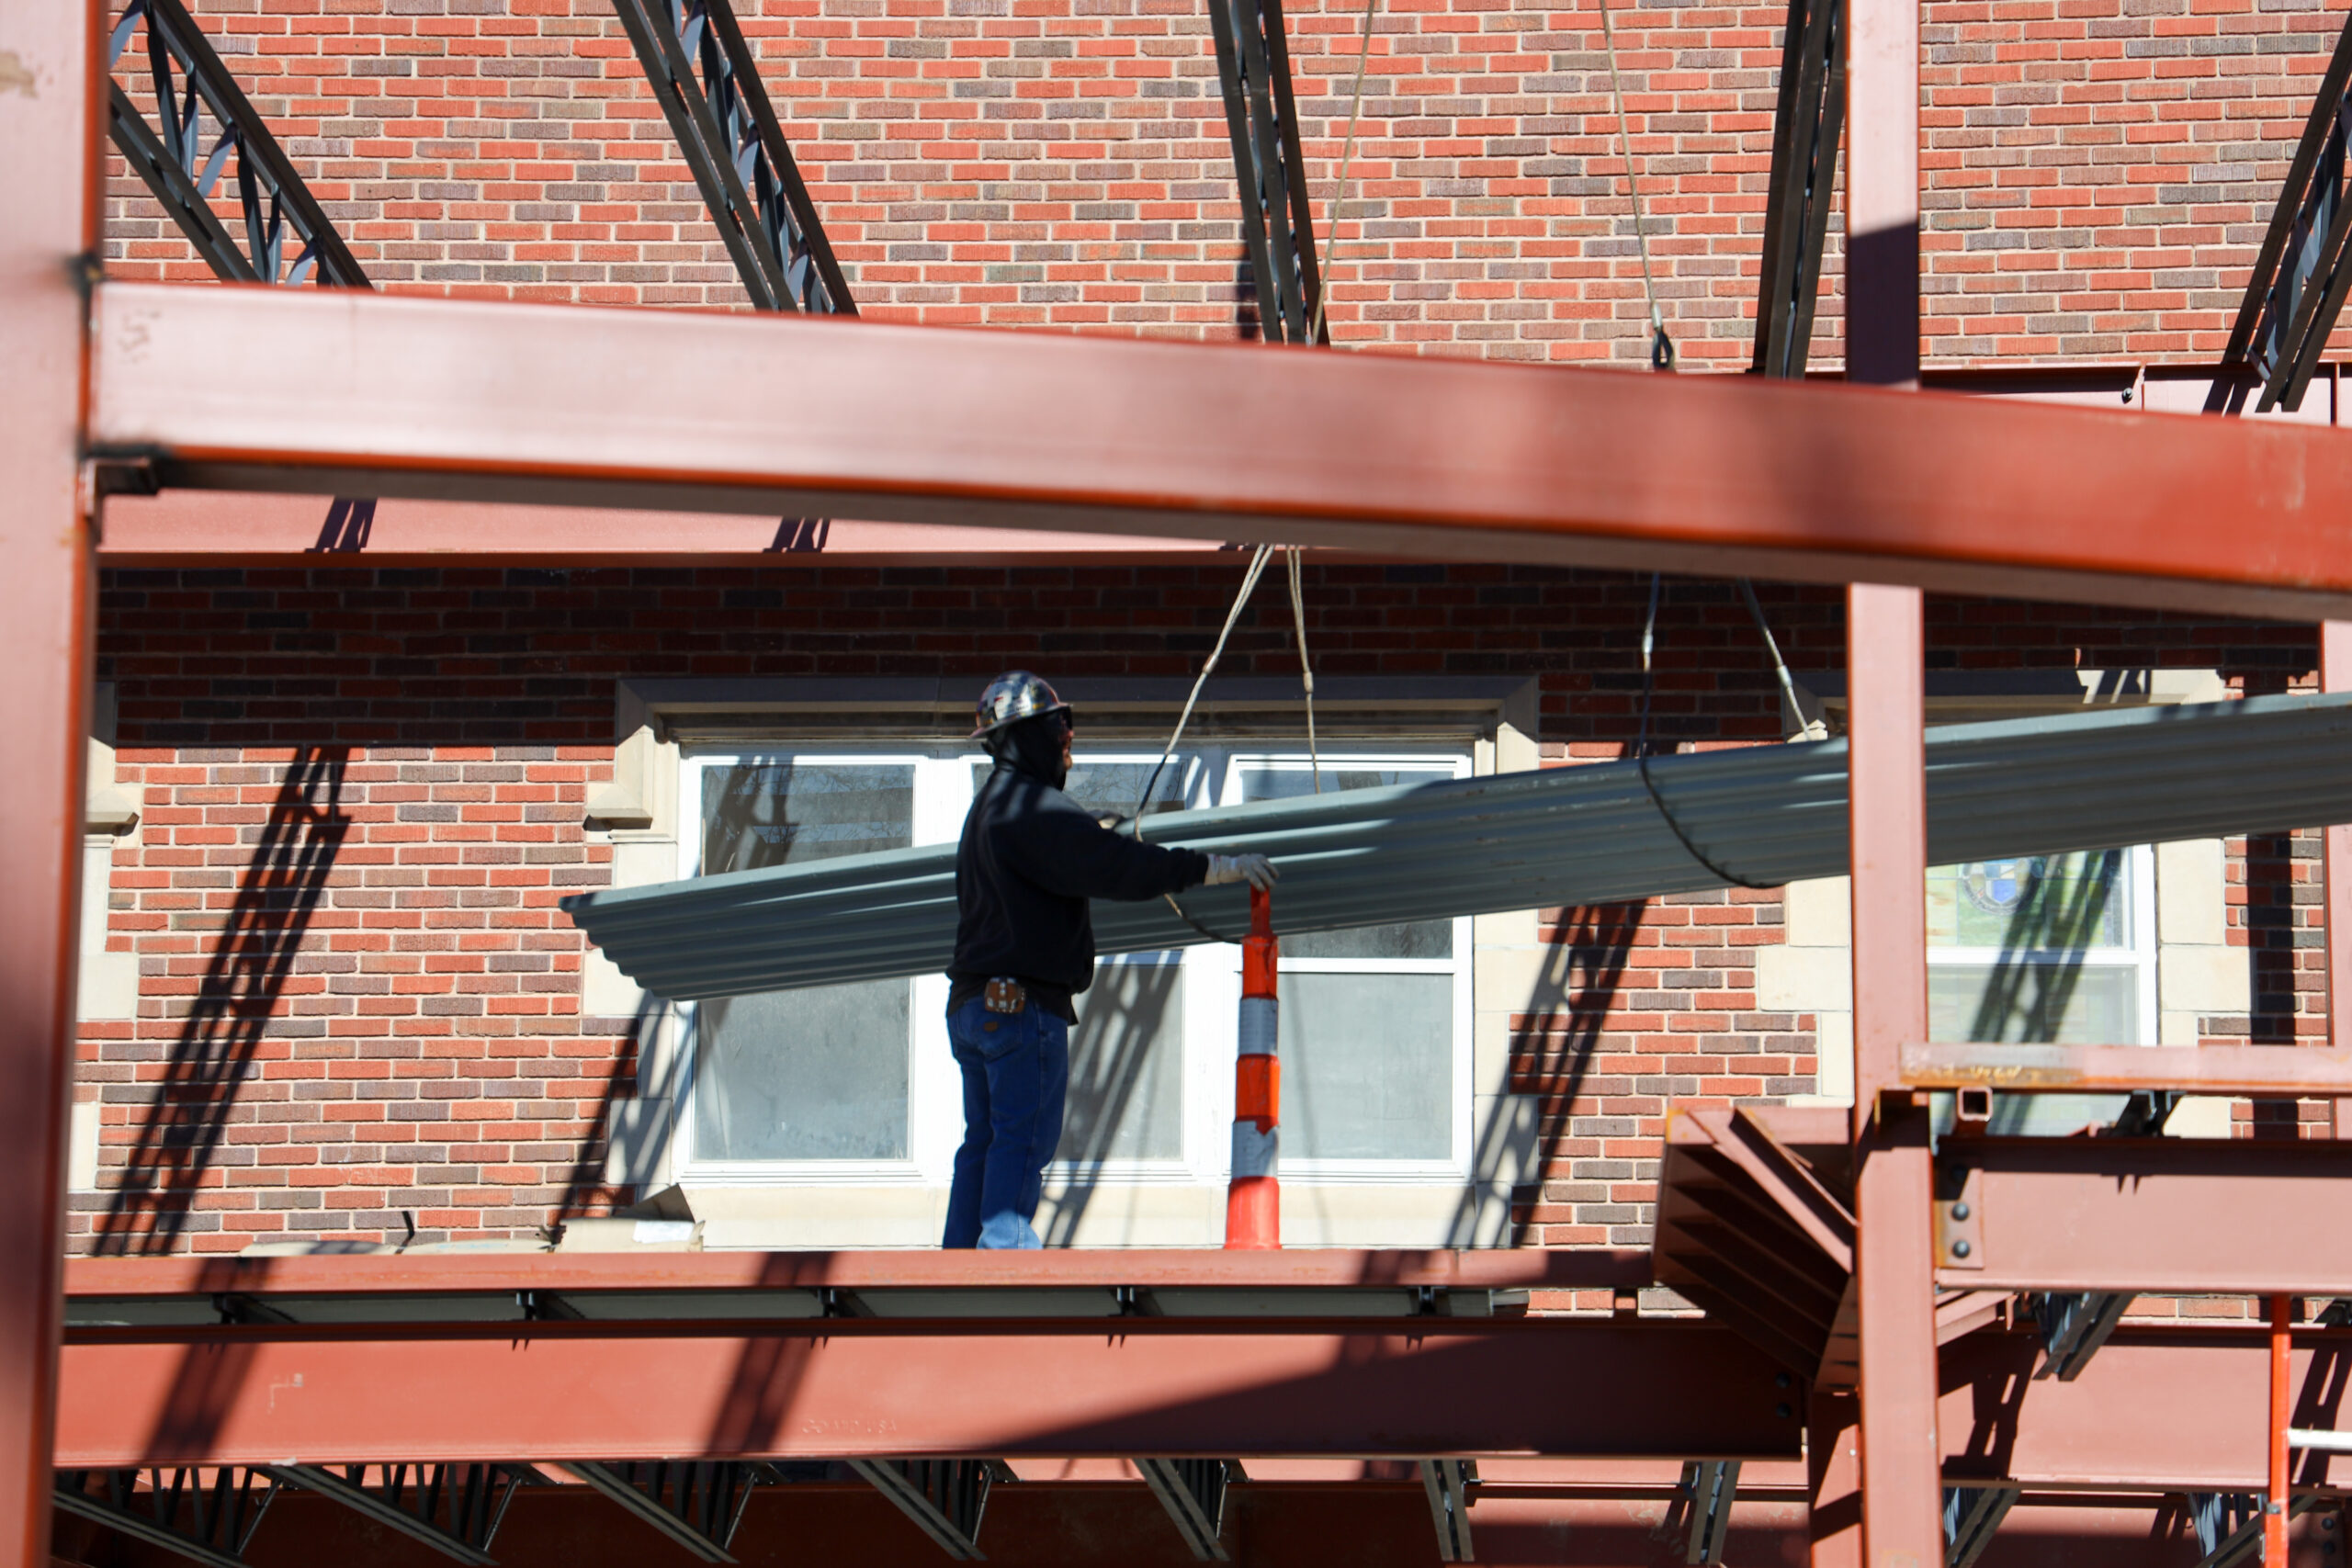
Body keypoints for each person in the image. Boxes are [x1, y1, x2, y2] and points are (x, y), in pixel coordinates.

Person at [944, 671, 1276, 1249]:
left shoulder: (987, 811)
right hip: (1022, 1007)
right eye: (1058, 729)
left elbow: (1071, 860)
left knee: (986, 1140)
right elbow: (1113, 867)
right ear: (1028, 737)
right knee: (1021, 1142)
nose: (1068, 739)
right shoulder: (1033, 808)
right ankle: (1007, 1266)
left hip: (976, 1006)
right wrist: (1210, 867)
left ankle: (957, 1264)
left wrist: (1087, 838)